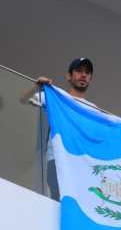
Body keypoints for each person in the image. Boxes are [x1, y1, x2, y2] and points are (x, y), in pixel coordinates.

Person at [20, 58, 97, 201]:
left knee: (79, 201)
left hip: (81, 162)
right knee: (60, 200)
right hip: (57, 159)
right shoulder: (56, 97)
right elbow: (23, 100)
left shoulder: (93, 109)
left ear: (90, 79)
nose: (83, 75)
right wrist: (37, 87)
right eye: (79, 71)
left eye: (87, 73)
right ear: (69, 76)